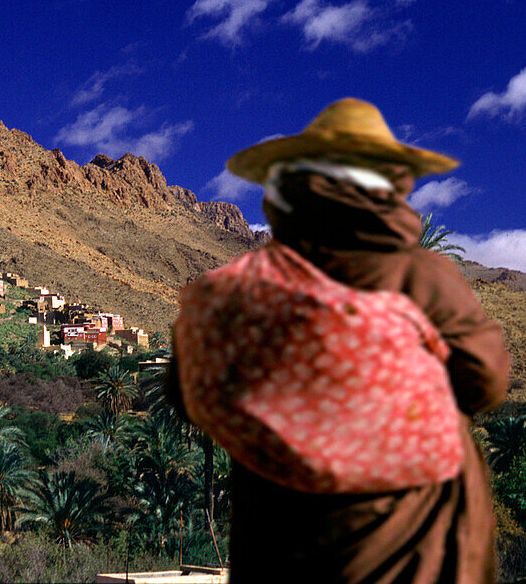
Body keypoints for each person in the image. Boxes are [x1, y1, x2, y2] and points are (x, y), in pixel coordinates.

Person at [168, 98, 509, 583]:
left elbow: (187, 395)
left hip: (279, 537)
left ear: (289, 186)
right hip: (417, 543)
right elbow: (487, 382)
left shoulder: (237, 289)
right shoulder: (422, 274)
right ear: (391, 184)